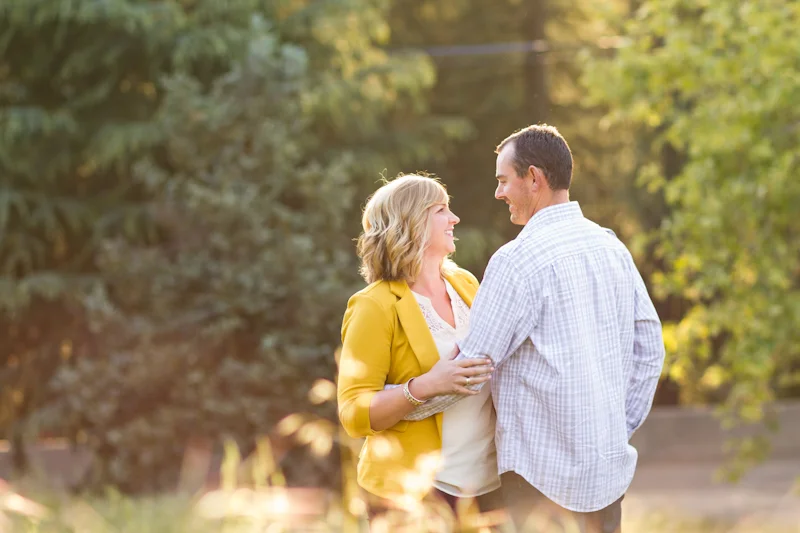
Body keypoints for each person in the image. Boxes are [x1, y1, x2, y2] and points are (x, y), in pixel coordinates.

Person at [442, 124, 664, 532]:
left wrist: (402, 398)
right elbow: (650, 350)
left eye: (503, 180)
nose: (498, 193)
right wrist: (617, 425)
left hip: (539, 481)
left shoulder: (516, 261)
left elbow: (472, 368)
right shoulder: (611, 247)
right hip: (607, 469)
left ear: (534, 178)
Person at [336, 174, 504, 527]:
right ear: (411, 222)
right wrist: (425, 386)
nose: (454, 219)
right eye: (442, 209)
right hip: (414, 492)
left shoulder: (466, 283)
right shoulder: (374, 305)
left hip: (486, 487)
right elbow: (353, 412)